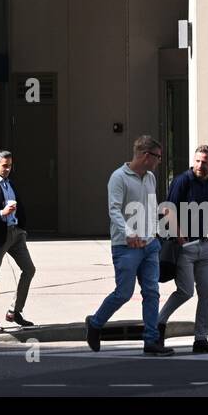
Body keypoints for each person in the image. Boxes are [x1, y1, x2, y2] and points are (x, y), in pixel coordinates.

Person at [84, 135, 173, 356]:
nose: (159, 161)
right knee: (124, 293)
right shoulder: (119, 177)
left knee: (152, 293)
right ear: (146, 156)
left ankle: (151, 341)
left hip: (150, 245)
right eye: (158, 157)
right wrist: (129, 233)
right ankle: (95, 323)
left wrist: (155, 235)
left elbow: (152, 208)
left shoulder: (150, 178)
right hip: (126, 246)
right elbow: (114, 210)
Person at [157, 144, 208, 353]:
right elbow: (168, 209)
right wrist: (180, 238)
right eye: (197, 160)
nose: (200, 165)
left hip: (204, 247)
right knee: (185, 291)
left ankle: (201, 339)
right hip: (183, 247)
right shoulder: (182, 181)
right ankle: (158, 325)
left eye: (205, 162)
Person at [0, 150, 36, 331]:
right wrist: (1, 213)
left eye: (10, 165)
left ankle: (14, 311)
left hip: (16, 234)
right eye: (4, 165)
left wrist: (21, 229)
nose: (8, 169)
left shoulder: (10, 184)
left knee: (29, 269)